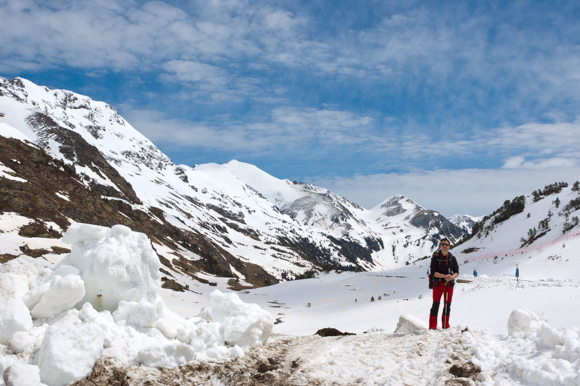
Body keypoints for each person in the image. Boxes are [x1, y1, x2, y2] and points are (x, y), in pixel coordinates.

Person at [429, 239, 459, 330]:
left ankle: (446, 325)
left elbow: (457, 272)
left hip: (448, 285)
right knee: (435, 305)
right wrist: (445, 276)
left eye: (446, 244)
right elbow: (433, 272)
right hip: (438, 284)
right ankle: (432, 327)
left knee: (447, 305)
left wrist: (452, 277)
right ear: (440, 246)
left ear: (449, 246)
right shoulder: (435, 258)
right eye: (443, 244)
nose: (444, 246)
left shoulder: (452, 258)